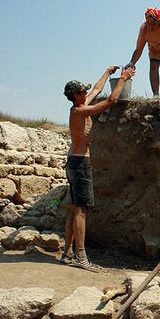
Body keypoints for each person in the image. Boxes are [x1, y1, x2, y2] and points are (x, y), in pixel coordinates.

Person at [60, 66, 136, 272]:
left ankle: (67, 253)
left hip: (73, 161)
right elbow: (110, 100)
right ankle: (81, 256)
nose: (87, 93)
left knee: (75, 208)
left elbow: (96, 89)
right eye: (82, 92)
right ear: (76, 96)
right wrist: (123, 79)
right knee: (82, 210)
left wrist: (107, 73)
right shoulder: (80, 110)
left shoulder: (80, 104)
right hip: (80, 163)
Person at [124, 7, 160, 99]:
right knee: (153, 66)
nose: (153, 26)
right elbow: (139, 49)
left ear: (159, 19)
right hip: (155, 50)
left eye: (155, 24)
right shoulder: (144, 29)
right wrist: (132, 63)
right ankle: (156, 95)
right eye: (150, 24)